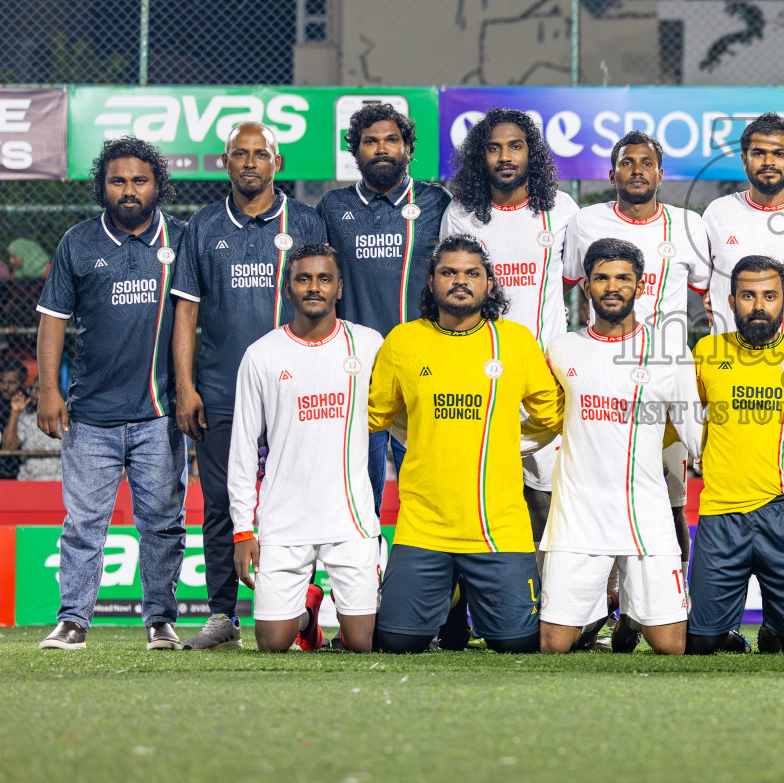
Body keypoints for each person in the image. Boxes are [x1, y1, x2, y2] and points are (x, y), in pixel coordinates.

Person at [169, 122, 327, 652]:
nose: (251, 162)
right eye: (241, 153)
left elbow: (326, 304)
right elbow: (185, 311)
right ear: (225, 162)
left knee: (300, 497)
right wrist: (185, 387)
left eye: (261, 154)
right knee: (221, 502)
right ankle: (221, 617)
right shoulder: (203, 226)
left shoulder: (306, 220)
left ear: (277, 163)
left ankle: (306, 603)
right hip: (220, 388)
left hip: (298, 389)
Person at [367, 236, 562, 654]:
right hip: (424, 526)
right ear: (431, 282)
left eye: (472, 273)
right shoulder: (402, 341)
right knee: (396, 642)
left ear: (489, 283)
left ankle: (464, 590)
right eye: (448, 272)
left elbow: (554, 415)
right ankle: (451, 591)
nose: (460, 280)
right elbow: (372, 417)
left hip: (498, 530)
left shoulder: (515, 341)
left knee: (518, 644)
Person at [34, 138, 188, 651]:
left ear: (157, 185)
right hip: (91, 415)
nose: (128, 190)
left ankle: (161, 619)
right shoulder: (78, 242)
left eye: (139, 180)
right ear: (103, 186)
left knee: (163, 524)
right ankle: (74, 619)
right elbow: (53, 321)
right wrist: (48, 392)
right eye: (118, 181)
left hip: (159, 415)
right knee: (83, 526)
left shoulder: (182, 240)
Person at [539, 238, 700, 655]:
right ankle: (596, 621)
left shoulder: (669, 352)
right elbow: (540, 424)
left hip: (646, 514)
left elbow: (696, 434)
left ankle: (627, 619)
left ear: (641, 286)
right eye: (601, 278)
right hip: (577, 517)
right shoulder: (561, 349)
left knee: (671, 648)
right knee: (553, 646)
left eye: (623, 278)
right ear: (586, 286)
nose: (612, 287)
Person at [229, 244, 382, 653]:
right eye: (303, 278)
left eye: (324, 279)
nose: (314, 287)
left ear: (339, 288)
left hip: (350, 520)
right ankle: (306, 616)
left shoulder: (368, 346)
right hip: (283, 520)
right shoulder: (261, 355)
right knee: (272, 645)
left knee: (361, 643)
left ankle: (340, 609)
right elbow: (242, 449)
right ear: (287, 289)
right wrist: (244, 529)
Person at [563, 130, 708, 562]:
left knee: (673, 497)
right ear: (612, 173)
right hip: (603, 374)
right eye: (628, 162)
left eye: (646, 163)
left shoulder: (689, 225)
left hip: (667, 376)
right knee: (600, 488)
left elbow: (710, 294)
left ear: (661, 174)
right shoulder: (586, 222)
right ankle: (603, 614)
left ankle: (675, 603)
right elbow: (567, 282)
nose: (637, 170)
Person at [441, 108, 579, 557]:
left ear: (531, 153)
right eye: (494, 147)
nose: (505, 156)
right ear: (481, 156)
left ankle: (556, 614)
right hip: (480, 376)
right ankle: (473, 617)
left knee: (547, 497)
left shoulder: (561, 209)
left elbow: (580, 278)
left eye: (515, 146)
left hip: (544, 375)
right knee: (477, 493)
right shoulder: (461, 213)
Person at [690, 255, 784, 654]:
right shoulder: (707, 352)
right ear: (731, 302)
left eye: (769, 296)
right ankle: (734, 633)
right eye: (748, 295)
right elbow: (689, 419)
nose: (758, 306)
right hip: (721, 513)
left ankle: (775, 628)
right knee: (701, 645)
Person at [318, 103, 450, 509]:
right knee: (359, 496)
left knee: (426, 497)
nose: (381, 149)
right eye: (369, 141)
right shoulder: (332, 207)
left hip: (423, 369)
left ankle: (426, 573)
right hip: (357, 374)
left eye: (391, 140)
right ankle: (364, 572)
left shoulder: (437, 203)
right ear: (355, 151)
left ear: (408, 147)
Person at [702, 113, 784, 341]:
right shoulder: (718, 212)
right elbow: (697, 280)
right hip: (726, 360)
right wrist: (707, 296)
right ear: (745, 161)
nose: (768, 162)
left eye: (778, 154)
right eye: (759, 153)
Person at [3, 358, 56, 481]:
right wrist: (15, 413)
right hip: (29, 478)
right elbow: (8, 447)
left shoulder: (66, 413)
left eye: (37, 389)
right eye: (31, 389)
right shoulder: (26, 416)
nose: (32, 393)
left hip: (57, 478)